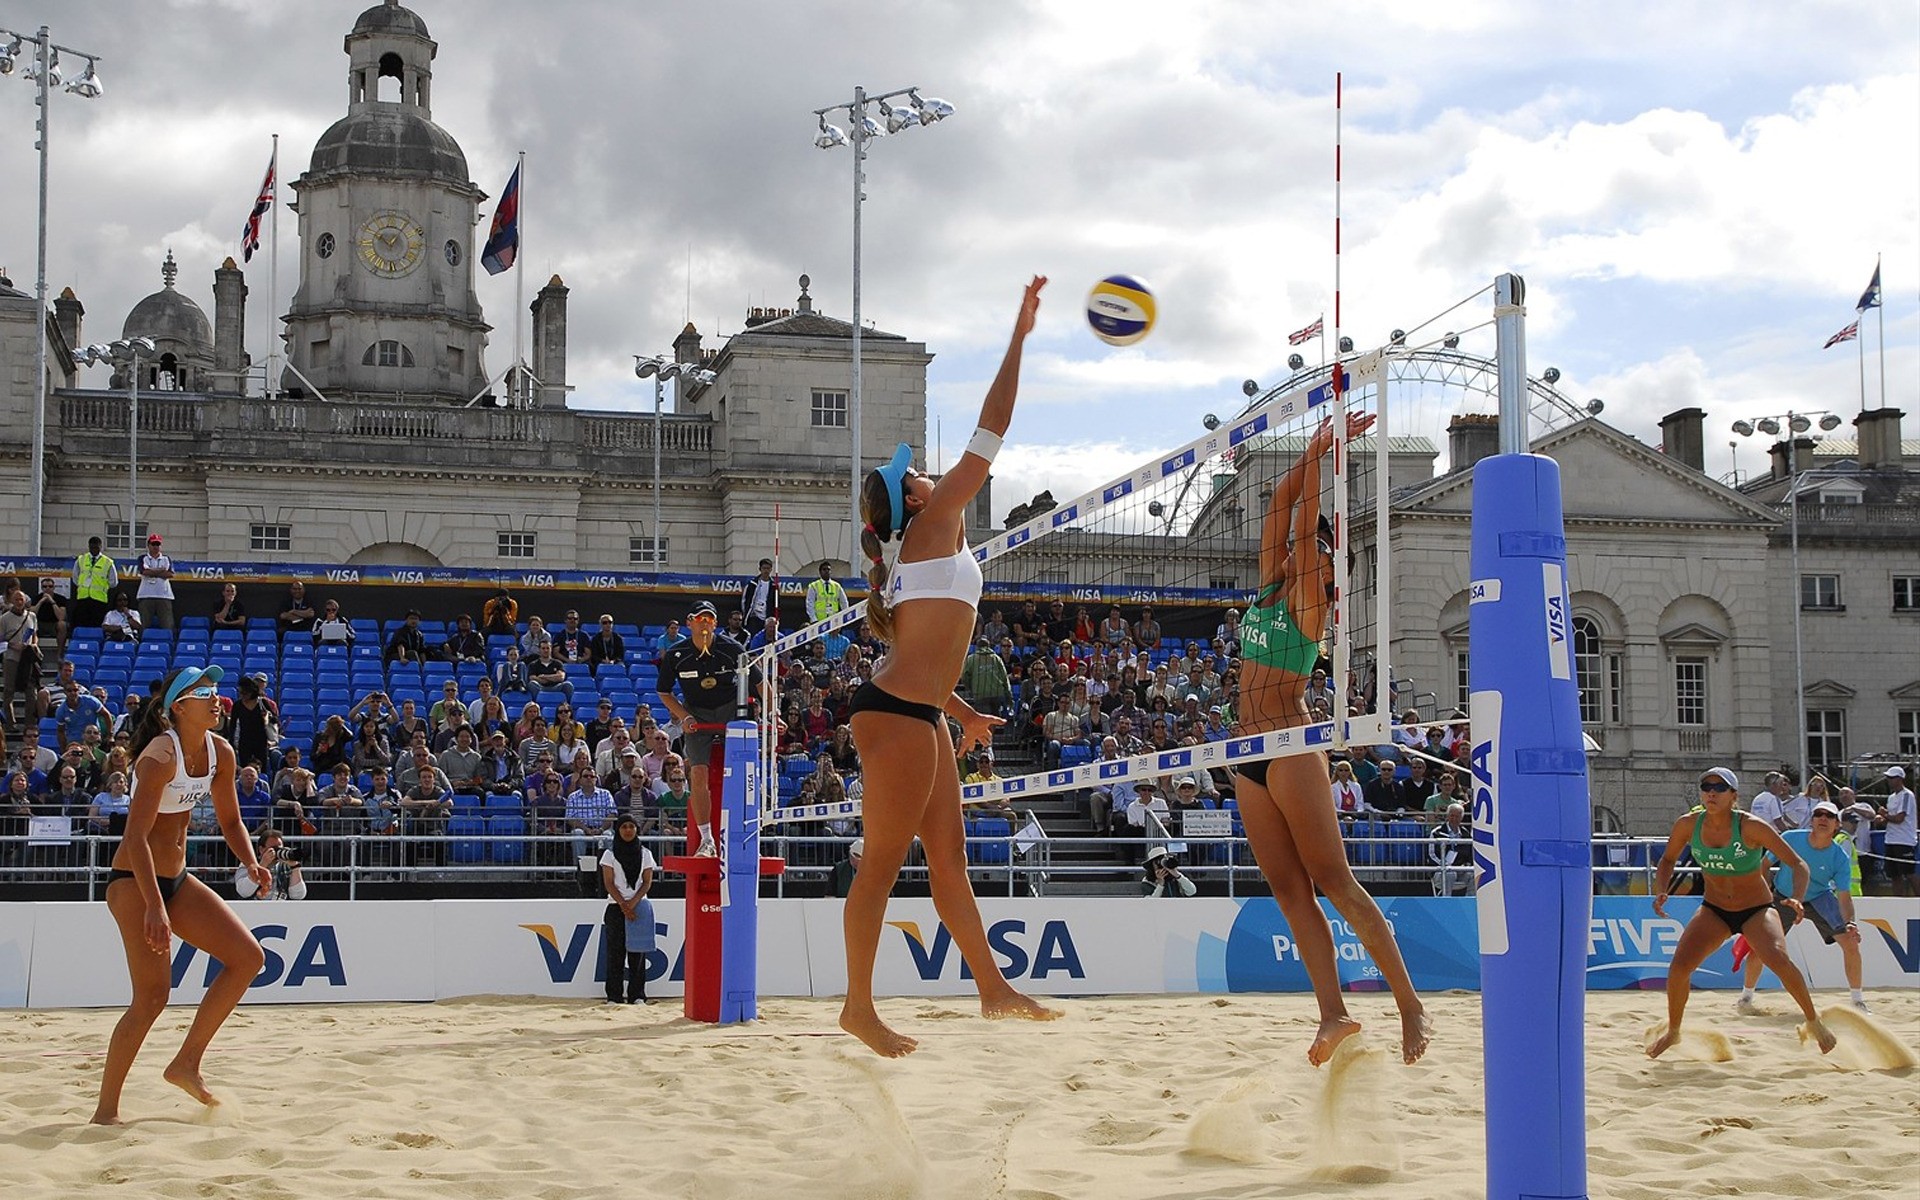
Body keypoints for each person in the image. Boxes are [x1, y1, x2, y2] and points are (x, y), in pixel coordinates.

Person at [840, 277, 1060, 1057]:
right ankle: (858, 1007)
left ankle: (993, 989)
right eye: (915, 472)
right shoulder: (933, 524)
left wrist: (961, 713)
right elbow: (993, 425)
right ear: (911, 501)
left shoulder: (924, 546)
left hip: (918, 710)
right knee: (882, 867)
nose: (926, 470)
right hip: (897, 715)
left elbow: (922, 651)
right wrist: (1020, 335)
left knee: (950, 862)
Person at [1233, 410, 1430, 1066]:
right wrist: (1312, 450)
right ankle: (1332, 1014)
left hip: (1290, 744)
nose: (1295, 548)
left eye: (1310, 548)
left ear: (1322, 560)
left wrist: (1321, 463)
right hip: (1245, 756)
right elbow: (1284, 507)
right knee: (1289, 892)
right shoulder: (1267, 588)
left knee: (1335, 883)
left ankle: (1410, 1007)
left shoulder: (1309, 600)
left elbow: (1301, 513)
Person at [91, 665, 270, 1125]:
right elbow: (135, 840)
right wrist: (153, 905)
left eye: (216, 690)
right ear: (177, 707)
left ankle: (186, 1063)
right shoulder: (158, 757)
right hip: (134, 883)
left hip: (176, 879)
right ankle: (105, 1113)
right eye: (203, 692)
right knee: (151, 999)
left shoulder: (221, 752)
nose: (216, 699)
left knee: (248, 958)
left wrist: (250, 860)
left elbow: (231, 822)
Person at [1647, 767, 1835, 1058]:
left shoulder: (1751, 826)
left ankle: (1813, 1020)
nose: (1711, 791)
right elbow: (1668, 859)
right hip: (1715, 909)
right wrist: (1662, 890)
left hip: (1756, 909)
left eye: (1720, 787)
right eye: (1706, 785)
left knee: (1777, 959)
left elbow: (1798, 864)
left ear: (1734, 796)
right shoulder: (1688, 824)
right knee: (1679, 968)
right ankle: (1674, 1031)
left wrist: (1797, 898)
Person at [1736, 799, 1870, 1012]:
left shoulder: (1840, 857)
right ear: (1812, 820)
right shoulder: (1790, 838)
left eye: (1829, 816)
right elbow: (1764, 865)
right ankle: (1746, 997)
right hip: (1784, 897)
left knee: (1851, 942)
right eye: (1819, 814)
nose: (1823, 819)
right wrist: (1762, 894)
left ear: (1837, 824)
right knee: (1760, 948)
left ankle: (1857, 1001)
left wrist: (1850, 923)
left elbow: (1844, 897)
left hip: (1819, 897)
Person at [655, 600, 750, 856]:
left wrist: (774, 713)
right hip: (696, 712)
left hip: (731, 709)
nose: (705, 623)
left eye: (709, 619)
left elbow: (760, 682)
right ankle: (707, 839)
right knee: (697, 773)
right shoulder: (676, 654)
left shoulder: (733, 648)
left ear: (716, 624)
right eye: (700, 619)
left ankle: (748, 836)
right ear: (689, 622)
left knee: (746, 773)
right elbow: (663, 692)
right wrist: (684, 716)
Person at [599, 814, 656, 1005]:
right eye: (624, 827)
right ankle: (614, 996)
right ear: (618, 830)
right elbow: (608, 883)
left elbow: (647, 882)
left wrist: (632, 904)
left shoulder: (645, 853)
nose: (628, 830)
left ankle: (637, 995)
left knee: (638, 954)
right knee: (615, 953)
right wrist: (624, 905)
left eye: (631, 826)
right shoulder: (610, 854)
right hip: (615, 907)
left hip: (639, 907)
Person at [233, 828, 308, 900]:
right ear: (261, 849)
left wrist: (295, 867)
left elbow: (298, 896)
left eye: (279, 848)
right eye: (273, 848)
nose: (277, 851)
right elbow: (243, 892)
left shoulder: (286, 866)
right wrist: (262, 866)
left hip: (280, 909)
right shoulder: (249, 863)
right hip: (254, 908)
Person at [71, 536, 117, 630]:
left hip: (99, 600)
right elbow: (75, 578)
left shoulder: (108, 562)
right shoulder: (81, 559)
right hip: (83, 598)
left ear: (101, 547)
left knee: (97, 626)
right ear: (89, 547)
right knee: (82, 625)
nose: (94, 550)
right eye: (92, 547)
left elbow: (113, 582)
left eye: (96, 547)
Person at [1884, 766, 1915, 898]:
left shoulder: (1907, 795)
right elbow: (1891, 817)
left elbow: (1899, 818)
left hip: (1904, 839)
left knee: (1909, 872)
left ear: (1900, 779)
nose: (1889, 780)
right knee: (1894, 874)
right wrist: (1883, 818)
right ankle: (1898, 900)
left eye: (1892, 778)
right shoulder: (1891, 797)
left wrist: (1884, 815)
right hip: (1890, 839)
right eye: (1888, 778)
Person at [135, 533, 176, 633]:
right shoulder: (142, 558)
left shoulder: (166, 559)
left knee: (167, 625)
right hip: (146, 595)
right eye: (153, 544)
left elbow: (170, 574)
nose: (156, 547)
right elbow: (144, 572)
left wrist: (152, 572)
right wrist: (160, 571)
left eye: (158, 544)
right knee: (144, 624)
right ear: (148, 545)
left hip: (164, 595)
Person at [805, 560, 850, 628]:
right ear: (820, 572)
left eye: (828, 569)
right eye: (824, 569)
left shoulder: (837, 586)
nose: (827, 571)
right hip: (818, 622)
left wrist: (844, 617)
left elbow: (844, 602)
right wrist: (814, 619)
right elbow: (809, 604)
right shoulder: (814, 586)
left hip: (833, 622)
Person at [741, 557, 777, 627]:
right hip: (754, 617)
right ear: (760, 569)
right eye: (764, 568)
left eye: (768, 568)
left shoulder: (774, 586)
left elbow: (777, 603)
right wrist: (746, 613)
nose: (766, 571)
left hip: (767, 618)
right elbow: (744, 600)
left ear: (771, 569)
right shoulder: (752, 584)